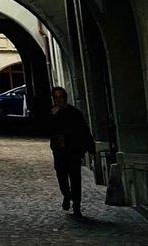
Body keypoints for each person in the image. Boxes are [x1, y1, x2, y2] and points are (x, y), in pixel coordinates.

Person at [48, 85, 93, 216]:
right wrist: (52, 116)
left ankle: (77, 206)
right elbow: (46, 130)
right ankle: (67, 195)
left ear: (65, 98)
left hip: (73, 150)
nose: (59, 100)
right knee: (61, 176)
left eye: (61, 97)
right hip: (59, 151)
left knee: (75, 179)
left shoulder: (74, 112)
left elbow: (84, 129)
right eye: (56, 97)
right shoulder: (52, 113)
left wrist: (89, 147)